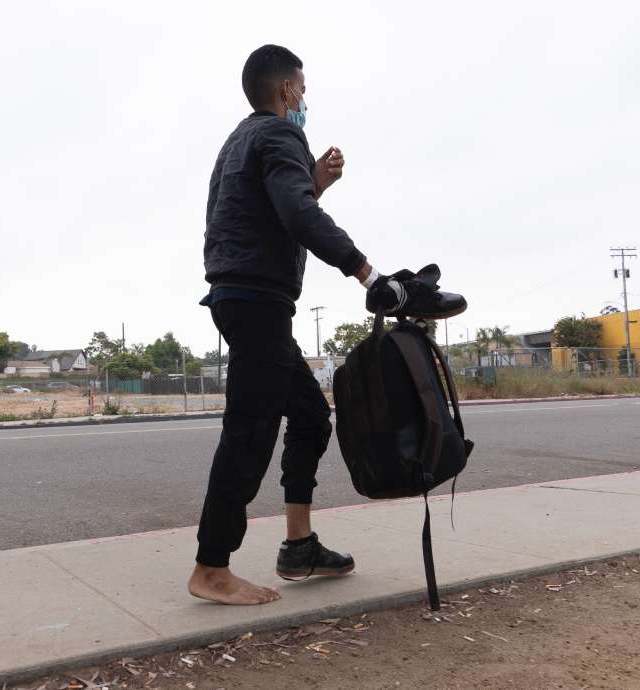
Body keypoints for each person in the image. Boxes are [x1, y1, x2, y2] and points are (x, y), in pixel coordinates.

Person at [190, 45, 411, 605]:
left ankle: (299, 546)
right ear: (286, 90)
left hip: (243, 296)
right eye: (303, 90)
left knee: (311, 417)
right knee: (250, 430)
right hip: (257, 300)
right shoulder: (281, 135)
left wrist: (313, 181)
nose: (305, 99)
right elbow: (297, 214)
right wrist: (367, 273)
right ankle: (211, 568)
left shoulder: (238, 140)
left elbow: (274, 208)